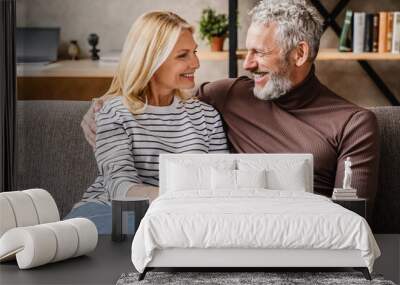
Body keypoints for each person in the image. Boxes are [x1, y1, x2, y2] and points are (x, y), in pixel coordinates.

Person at [81, 0, 379, 221]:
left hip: (299, 230)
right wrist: (103, 108)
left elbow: (353, 218)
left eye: (259, 53)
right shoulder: (225, 95)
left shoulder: (353, 123)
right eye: (246, 51)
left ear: (299, 53)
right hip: (215, 223)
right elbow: (155, 95)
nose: (247, 65)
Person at [66, 11, 228, 234]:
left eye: (194, 52)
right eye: (183, 55)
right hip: (110, 212)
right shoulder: (113, 112)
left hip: (177, 218)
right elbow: (120, 188)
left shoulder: (206, 116)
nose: (196, 62)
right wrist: (183, 201)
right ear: (153, 60)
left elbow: (222, 185)